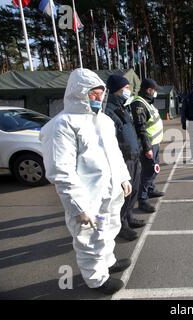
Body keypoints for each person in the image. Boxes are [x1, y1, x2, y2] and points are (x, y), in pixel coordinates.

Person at [40, 68, 132, 295]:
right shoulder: (61, 125)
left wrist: (123, 177)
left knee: (109, 229)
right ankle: (96, 279)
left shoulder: (104, 121)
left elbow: (115, 154)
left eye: (101, 93)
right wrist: (78, 206)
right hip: (88, 199)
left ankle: (107, 263)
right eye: (93, 93)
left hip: (109, 195)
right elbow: (61, 172)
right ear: (79, 93)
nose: (99, 98)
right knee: (90, 239)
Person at [105, 75, 146, 242]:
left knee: (134, 190)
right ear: (116, 90)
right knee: (123, 195)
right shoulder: (108, 111)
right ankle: (122, 226)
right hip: (123, 160)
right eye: (125, 88)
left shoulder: (124, 107)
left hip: (134, 156)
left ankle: (129, 217)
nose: (128, 91)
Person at [130, 78, 165, 214]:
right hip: (147, 144)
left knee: (154, 168)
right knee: (149, 170)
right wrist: (147, 148)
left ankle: (150, 190)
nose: (156, 93)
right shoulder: (139, 103)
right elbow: (141, 128)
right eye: (155, 90)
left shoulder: (147, 102)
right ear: (149, 90)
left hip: (154, 142)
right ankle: (143, 199)